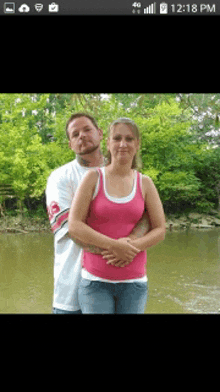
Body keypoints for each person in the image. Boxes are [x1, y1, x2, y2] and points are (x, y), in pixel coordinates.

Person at [46, 113, 150, 314]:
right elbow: (71, 230)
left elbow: (147, 217)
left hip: (125, 284)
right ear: (70, 144)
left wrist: (130, 243)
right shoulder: (60, 178)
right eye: (75, 134)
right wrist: (118, 250)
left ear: (101, 134)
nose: (82, 136)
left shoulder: (125, 169)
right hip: (71, 292)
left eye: (87, 130)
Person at [68, 118, 166, 314]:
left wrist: (132, 247)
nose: (123, 144)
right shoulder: (93, 178)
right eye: (117, 138)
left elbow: (160, 229)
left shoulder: (145, 183)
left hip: (134, 285)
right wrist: (114, 246)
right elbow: (75, 225)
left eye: (129, 139)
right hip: (95, 284)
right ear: (108, 143)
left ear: (137, 144)